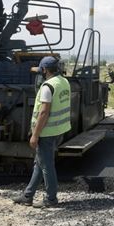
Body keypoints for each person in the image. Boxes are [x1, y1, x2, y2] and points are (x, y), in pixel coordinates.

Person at [13, 56, 71, 208]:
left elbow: (44, 112)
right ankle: (28, 195)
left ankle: (51, 199)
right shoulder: (64, 82)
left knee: (47, 166)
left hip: (46, 132)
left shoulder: (47, 87)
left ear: (45, 70)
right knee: (40, 163)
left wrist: (35, 135)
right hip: (59, 129)